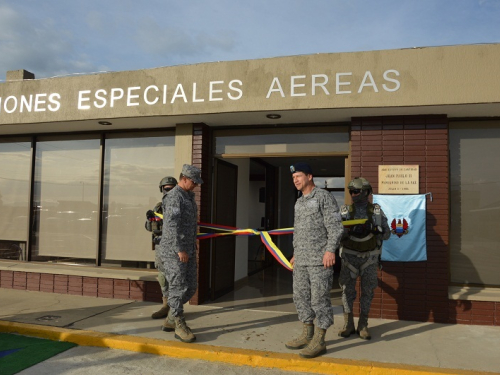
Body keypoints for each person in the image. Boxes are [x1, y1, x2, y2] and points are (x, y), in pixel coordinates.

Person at [286, 162, 344, 358]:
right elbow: (298, 231)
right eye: (293, 178)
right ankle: (307, 333)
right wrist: (295, 252)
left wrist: (330, 251)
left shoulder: (324, 197)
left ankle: (320, 339)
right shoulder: (299, 202)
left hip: (320, 260)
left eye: (298, 176)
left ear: (309, 177)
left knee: (319, 299)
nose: (295, 180)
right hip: (301, 259)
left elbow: (335, 226)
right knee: (300, 297)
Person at [338, 177, 390, 340]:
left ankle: (363, 324)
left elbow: (387, 234)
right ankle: (348, 324)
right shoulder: (345, 212)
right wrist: (347, 232)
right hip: (349, 258)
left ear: (366, 192)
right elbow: (335, 235)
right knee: (347, 292)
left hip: (369, 258)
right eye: (351, 191)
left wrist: (375, 229)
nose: (353, 194)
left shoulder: (376, 212)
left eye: (356, 191)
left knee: (367, 291)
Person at [157, 164, 203, 343]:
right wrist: (179, 249)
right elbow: (171, 226)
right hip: (174, 251)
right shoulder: (175, 197)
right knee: (177, 288)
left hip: (188, 249)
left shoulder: (189, 197)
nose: (196, 185)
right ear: (184, 178)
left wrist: (191, 245)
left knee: (191, 286)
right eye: (194, 182)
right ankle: (178, 323)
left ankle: (170, 318)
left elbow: (190, 225)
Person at [145, 176, 178, 319]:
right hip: (160, 247)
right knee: (163, 277)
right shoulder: (158, 207)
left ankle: (176, 310)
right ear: (162, 189)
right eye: (166, 188)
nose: (169, 191)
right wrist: (149, 219)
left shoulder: (180, 205)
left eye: (172, 188)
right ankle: (165, 306)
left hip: (175, 248)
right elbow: (149, 228)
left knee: (176, 278)